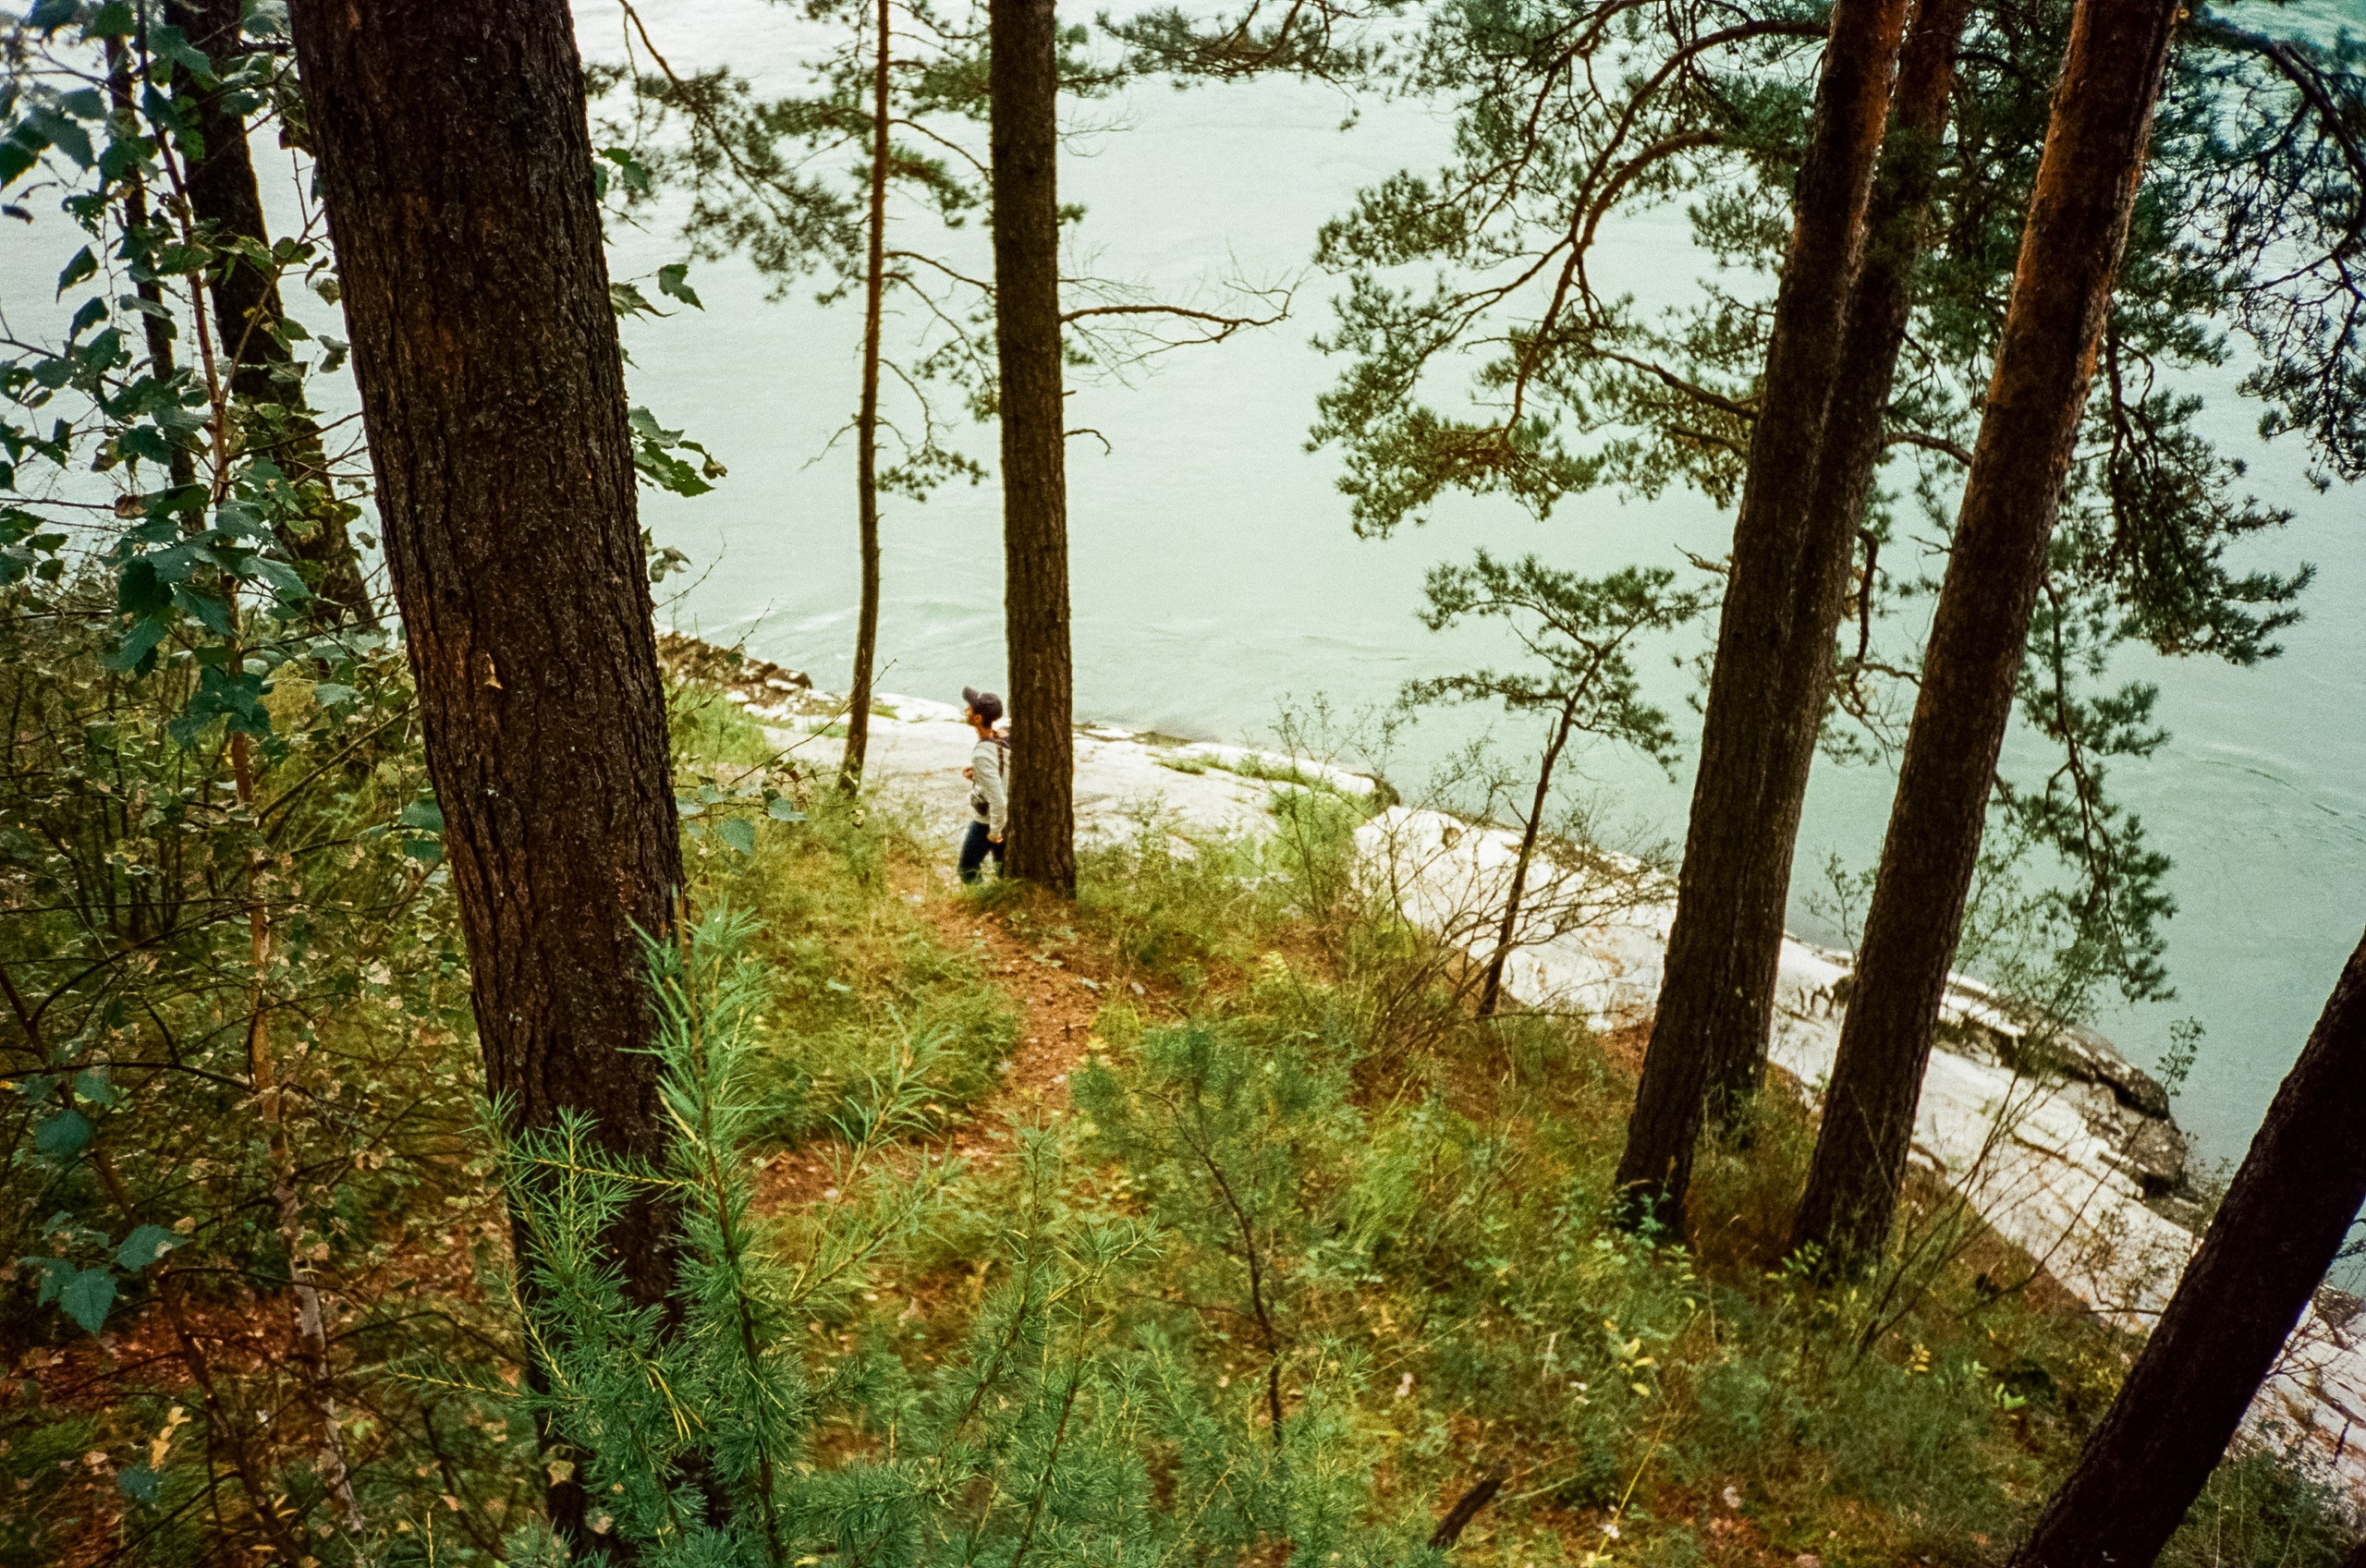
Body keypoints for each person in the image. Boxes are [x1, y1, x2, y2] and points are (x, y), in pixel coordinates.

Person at [958, 686, 1006, 882]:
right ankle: (1002, 903)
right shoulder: (1004, 737)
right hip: (1008, 819)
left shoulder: (981, 754)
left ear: (978, 718)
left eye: (969, 708)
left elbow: (999, 800)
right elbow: (1005, 771)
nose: (966, 710)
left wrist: (995, 832)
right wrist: (979, 776)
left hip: (988, 821)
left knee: (968, 868)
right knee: (1004, 870)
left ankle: (979, 902)